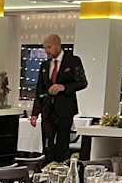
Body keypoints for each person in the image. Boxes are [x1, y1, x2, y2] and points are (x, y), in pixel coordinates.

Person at [31, 34, 86, 162]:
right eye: (45, 48)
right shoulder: (45, 65)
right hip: (47, 111)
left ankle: (62, 169)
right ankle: (47, 169)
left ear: (57, 45)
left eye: (49, 47)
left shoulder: (73, 61)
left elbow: (82, 82)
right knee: (47, 145)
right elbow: (40, 90)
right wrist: (35, 113)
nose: (46, 51)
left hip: (65, 111)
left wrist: (63, 87)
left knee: (62, 145)